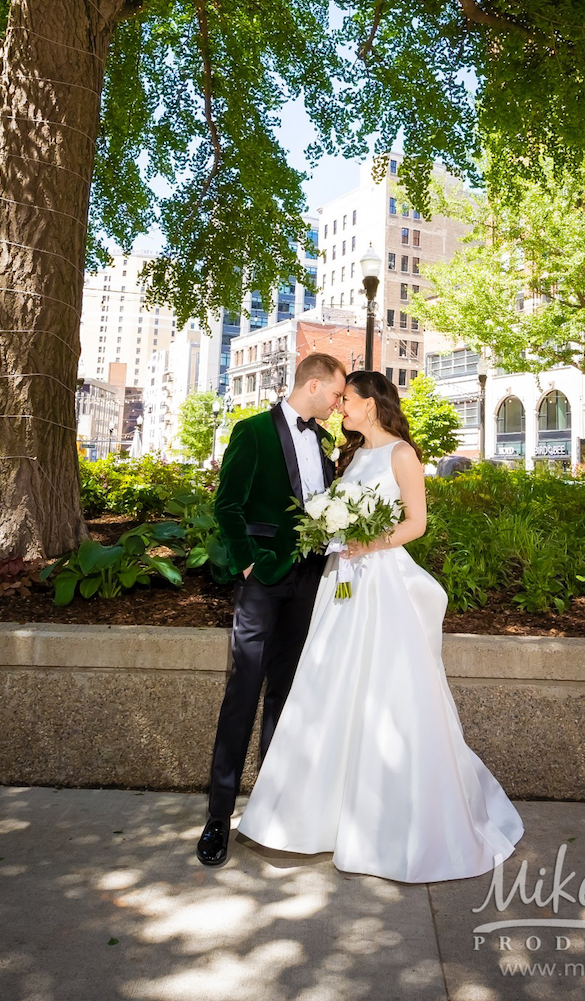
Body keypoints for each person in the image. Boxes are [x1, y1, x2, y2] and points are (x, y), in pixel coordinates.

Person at [236, 370, 524, 883]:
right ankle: (313, 818)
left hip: (380, 581)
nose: (340, 407)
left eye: (347, 400)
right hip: (341, 581)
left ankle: (391, 826)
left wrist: (368, 542)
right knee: (328, 689)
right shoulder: (349, 457)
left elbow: (416, 523)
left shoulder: (401, 455)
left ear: (371, 405)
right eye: (339, 398)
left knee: (386, 692)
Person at [196, 353, 346, 867]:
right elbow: (227, 506)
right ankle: (218, 816)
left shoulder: (324, 440)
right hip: (263, 581)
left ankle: (272, 806)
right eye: (336, 393)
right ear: (313, 385)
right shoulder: (253, 430)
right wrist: (248, 566)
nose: (338, 403)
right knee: (243, 691)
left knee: (286, 694)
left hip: (309, 580)